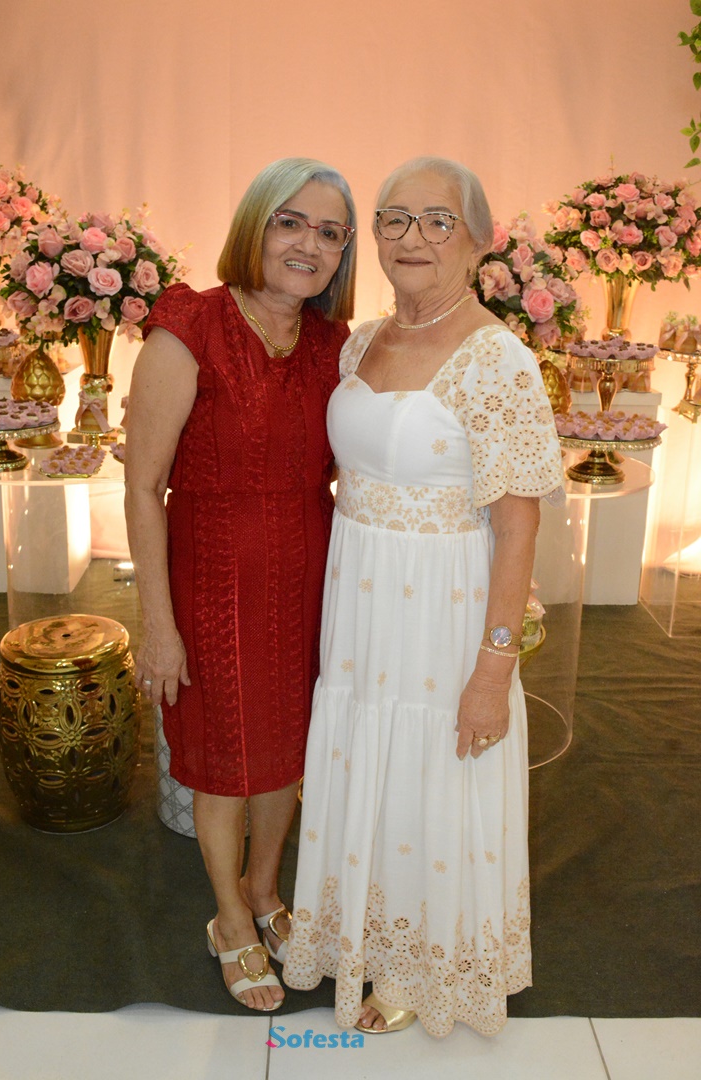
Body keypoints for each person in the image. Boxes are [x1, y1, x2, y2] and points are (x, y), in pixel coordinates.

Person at [282, 157, 564, 1037]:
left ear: (478, 241)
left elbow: (518, 527)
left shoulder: (499, 360)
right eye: (394, 218)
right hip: (361, 598)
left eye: (439, 221)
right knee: (368, 748)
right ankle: (363, 931)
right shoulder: (360, 342)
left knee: (430, 767)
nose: (413, 238)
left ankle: (422, 960)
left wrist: (493, 670)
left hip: (442, 607)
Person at [124, 158, 356, 1012]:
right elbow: (143, 487)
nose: (308, 244)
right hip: (210, 583)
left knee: (286, 751)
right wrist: (158, 625)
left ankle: (265, 891)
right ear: (254, 224)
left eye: (329, 233)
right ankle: (229, 917)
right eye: (290, 221)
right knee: (225, 761)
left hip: (309, 579)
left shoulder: (335, 344)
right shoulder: (188, 326)